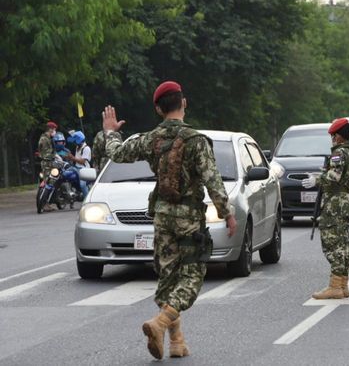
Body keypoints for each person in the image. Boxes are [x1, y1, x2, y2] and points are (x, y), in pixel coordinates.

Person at [102, 81, 237, 360]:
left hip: (162, 217)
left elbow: (116, 153)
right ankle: (160, 323)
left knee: (168, 277)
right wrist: (227, 213)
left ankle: (176, 342)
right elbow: (213, 180)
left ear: (157, 109)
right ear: (184, 103)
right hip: (189, 218)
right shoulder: (196, 140)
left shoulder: (151, 139)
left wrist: (110, 133)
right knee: (192, 277)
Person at [302, 118, 349, 299]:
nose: (332, 139)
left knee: (332, 241)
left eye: (333, 136)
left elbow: (334, 176)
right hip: (346, 199)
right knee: (342, 241)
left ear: (338, 136)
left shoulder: (339, 154)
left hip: (335, 201)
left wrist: (316, 179)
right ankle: (342, 284)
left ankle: (335, 287)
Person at [38, 121, 58, 211]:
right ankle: (44, 204)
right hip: (47, 163)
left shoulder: (49, 138)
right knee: (48, 183)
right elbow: (46, 153)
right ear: (50, 129)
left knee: (51, 183)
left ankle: (47, 203)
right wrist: (54, 156)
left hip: (50, 162)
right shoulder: (44, 139)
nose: (55, 131)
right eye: (54, 129)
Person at [68, 131, 92, 199]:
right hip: (76, 168)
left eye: (75, 141)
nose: (74, 142)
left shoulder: (86, 148)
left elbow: (82, 161)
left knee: (82, 185)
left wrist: (72, 158)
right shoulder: (77, 147)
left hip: (84, 169)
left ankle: (86, 199)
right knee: (64, 173)